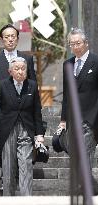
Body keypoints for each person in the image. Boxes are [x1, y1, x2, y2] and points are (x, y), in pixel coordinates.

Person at [0, 57, 45, 196]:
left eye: (23, 68)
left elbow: (37, 111)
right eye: (17, 69)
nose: (20, 71)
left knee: (26, 166)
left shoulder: (32, 85)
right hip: (7, 130)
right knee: (8, 169)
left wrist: (39, 135)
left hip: (26, 129)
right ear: (10, 71)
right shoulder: (2, 85)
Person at [59, 27, 98, 193]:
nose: (75, 46)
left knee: (86, 152)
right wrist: (63, 120)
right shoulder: (67, 64)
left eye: (78, 43)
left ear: (86, 43)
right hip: (73, 118)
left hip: (91, 117)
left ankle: (86, 188)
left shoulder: (96, 62)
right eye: (72, 44)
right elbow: (67, 94)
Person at [0, 24, 36, 114]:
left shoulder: (27, 58)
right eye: (7, 37)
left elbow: (33, 83)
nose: (10, 39)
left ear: (17, 39)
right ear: (2, 40)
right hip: (2, 108)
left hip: (24, 108)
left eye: (13, 36)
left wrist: (36, 106)